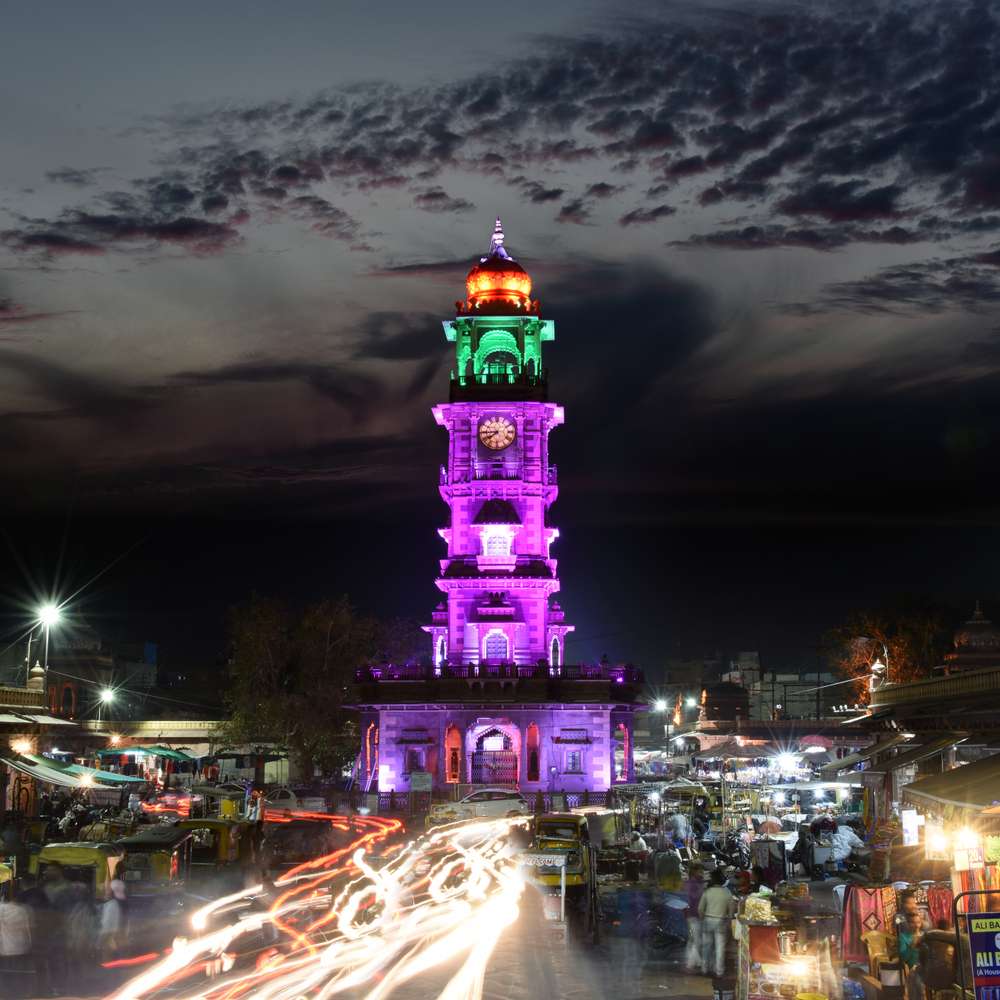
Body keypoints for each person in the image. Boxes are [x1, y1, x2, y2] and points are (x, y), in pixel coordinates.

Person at [698, 868, 735, 978]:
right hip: (721, 922)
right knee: (720, 947)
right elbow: (731, 910)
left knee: (706, 947)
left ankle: (704, 969)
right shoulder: (727, 893)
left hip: (708, 920)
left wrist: (702, 920)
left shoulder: (707, 892)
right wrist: (728, 921)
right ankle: (719, 971)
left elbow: (700, 909)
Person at [0, 888, 33, 998]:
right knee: (18, 973)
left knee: (6, 973)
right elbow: (28, 930)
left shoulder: (2, 909)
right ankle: (17, 993)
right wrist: (29, 944)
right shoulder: (23, 910)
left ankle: (7, 994)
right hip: (22, 948)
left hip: (6, 949)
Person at [898, 910, 926, 1000]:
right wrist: (911, 947)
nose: (916, 925)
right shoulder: (903, 937)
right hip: (913, 967)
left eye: (918, 922)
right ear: (908, 924)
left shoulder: (925, 936)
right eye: (913, 923)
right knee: (918, 979)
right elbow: (903, 958)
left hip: (927, 966)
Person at [99, 880, 129, 962]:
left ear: (111, 891)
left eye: (108, 889)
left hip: (111, 941)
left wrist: (102, 940)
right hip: (120, 941)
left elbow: (106, 928)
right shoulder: (124, 904)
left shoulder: (111, 905)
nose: (106, 891)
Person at [684, 863, 705, 972]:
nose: (702, 873)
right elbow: (693, 898)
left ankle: (695, 961)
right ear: (694, 871)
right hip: (692, 914)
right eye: (700, 871)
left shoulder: (697, 882)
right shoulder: (691, 884)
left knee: (694, 939)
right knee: (695, 939)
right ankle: (690, 963)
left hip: (696, 914)